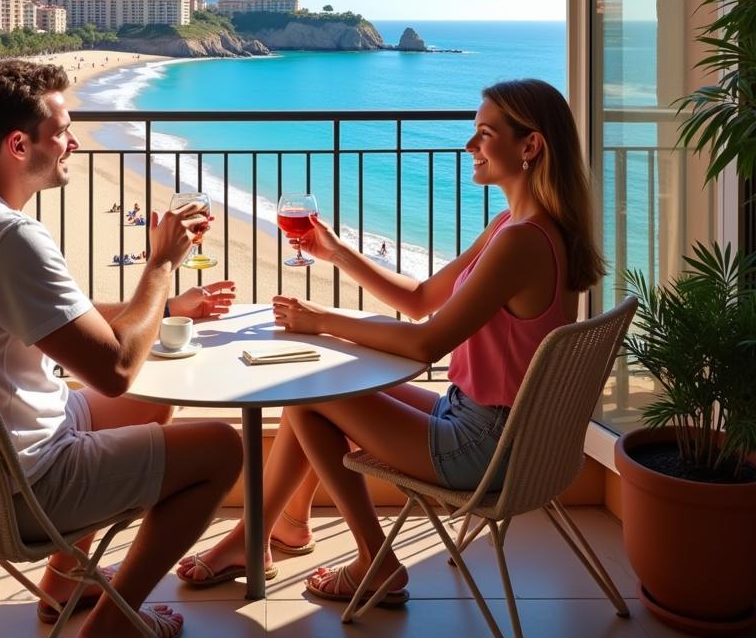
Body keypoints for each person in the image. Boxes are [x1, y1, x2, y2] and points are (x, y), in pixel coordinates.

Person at [177, 79, 604, 606]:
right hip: (493, 424)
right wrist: (337, 253)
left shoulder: (521, 242)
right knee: (312, 396)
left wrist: (323, 321)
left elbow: (426, 342)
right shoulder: (513, 226)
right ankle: (281, 527)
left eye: (484, 134)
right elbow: (423, 298)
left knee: (313, 392)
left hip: (486, 446)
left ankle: (365, 559)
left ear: (530, 146)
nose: (470, 146)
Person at [0, 59, 242, 638]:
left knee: (152, 408)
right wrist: (160, 266)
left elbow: (57, 316)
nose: (74, 143)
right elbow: (117, 369)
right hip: (20, 485)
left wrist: (167, 310)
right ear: (20, 143)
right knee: (220, 449)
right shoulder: (8, 235)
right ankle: (112, 626)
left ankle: (63, 585)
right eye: (63, 131)